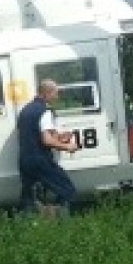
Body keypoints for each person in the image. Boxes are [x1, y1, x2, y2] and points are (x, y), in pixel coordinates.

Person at [16, 79, 77, 217]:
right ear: (47, 93)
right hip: (40, 160)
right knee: (67, 190)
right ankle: (59, 221)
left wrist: (59, 138)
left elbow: (32, 135)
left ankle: (29, 222)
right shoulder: (45, 111)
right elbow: (46, 140)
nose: (57, 97)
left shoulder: (25, 110)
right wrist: (67, 146)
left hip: (24, 160)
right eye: (55, 93)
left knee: (29, 199)